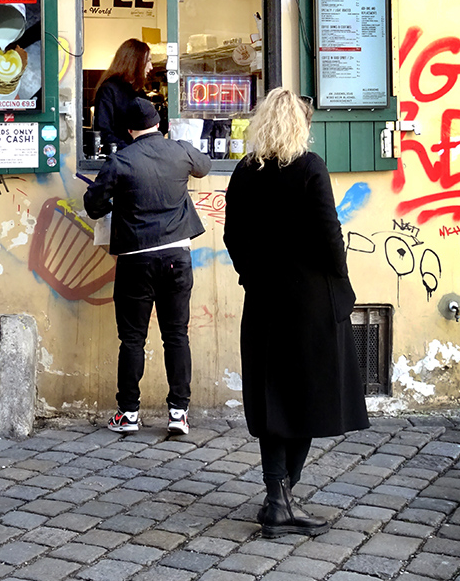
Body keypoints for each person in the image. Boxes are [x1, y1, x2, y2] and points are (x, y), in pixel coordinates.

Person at [223, 88, 369, 538]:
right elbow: (330, 236)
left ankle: (277, 498)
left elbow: (232, 235)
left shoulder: (245, 172)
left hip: (265, 301)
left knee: (274, 400)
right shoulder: (310, 168)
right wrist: (341, 286)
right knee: (306, 397)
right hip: (310, 302)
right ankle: (280, 499)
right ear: (300, 125)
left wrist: (252, 277)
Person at [84, 97, 211, 434]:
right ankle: (178, 414)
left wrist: (118, 200)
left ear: (129, 130)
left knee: (132, 340)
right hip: (176, 257)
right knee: (176, 336)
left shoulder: (119, 160)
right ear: (161, 124)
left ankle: (127, 414)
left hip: (135, 259)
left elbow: (93, 206)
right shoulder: (179, 150)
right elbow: (205, 166)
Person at [93, 38, 153, 152]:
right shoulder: (108, 90)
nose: (151, 67)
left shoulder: (138, 91)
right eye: (148, 60)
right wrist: (132, 150)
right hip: (121, 158)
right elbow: (103, 132)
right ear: (135, 61)